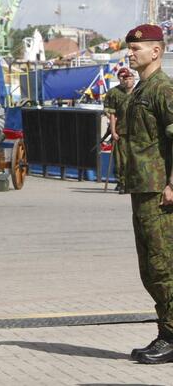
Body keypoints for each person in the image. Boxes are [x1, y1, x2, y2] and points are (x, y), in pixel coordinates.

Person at [121, 24, 173, 365]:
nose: (130, 53)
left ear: (156, 51)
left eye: (137, 48)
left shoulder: (163, 89)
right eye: (130, 48)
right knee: (150, 268)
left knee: (162, 265)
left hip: (159, 191)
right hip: (143, 187)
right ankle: (166, 331)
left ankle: (170, 336)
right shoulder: (141, 89)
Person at [104, 67, 136, 192]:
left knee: (133, 159)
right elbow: (110, 113)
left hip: (136, 131)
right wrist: (113, 130)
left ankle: (130, 182)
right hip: (120, 130)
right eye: (124, 78)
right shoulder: (114, 93)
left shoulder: (138, 92)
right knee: (120, 160)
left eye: (129, 78)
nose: (127, 80)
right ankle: (121, 181)